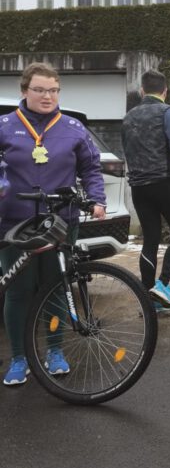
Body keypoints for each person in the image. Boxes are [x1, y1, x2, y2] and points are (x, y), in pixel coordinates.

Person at [0, 63, 106, 386]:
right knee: (18, 291)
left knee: (56, 287)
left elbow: (91, 167)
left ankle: (55, 351)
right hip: (15, 222)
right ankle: (19, 358)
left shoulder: (73, 128)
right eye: (40, 90)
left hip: (61, 221)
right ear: (24, 91)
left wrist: (97, 199)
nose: (47, 96)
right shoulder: (5, 126)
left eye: (53, 90)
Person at [121, 69, 170, 310]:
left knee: (150, 239)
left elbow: (126, 149)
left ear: (142, 91)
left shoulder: (128, 116)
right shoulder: (167, 111)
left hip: (138, 186)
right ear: (165, 91)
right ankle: (163, 284)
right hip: (164, 182)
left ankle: (149, 302)